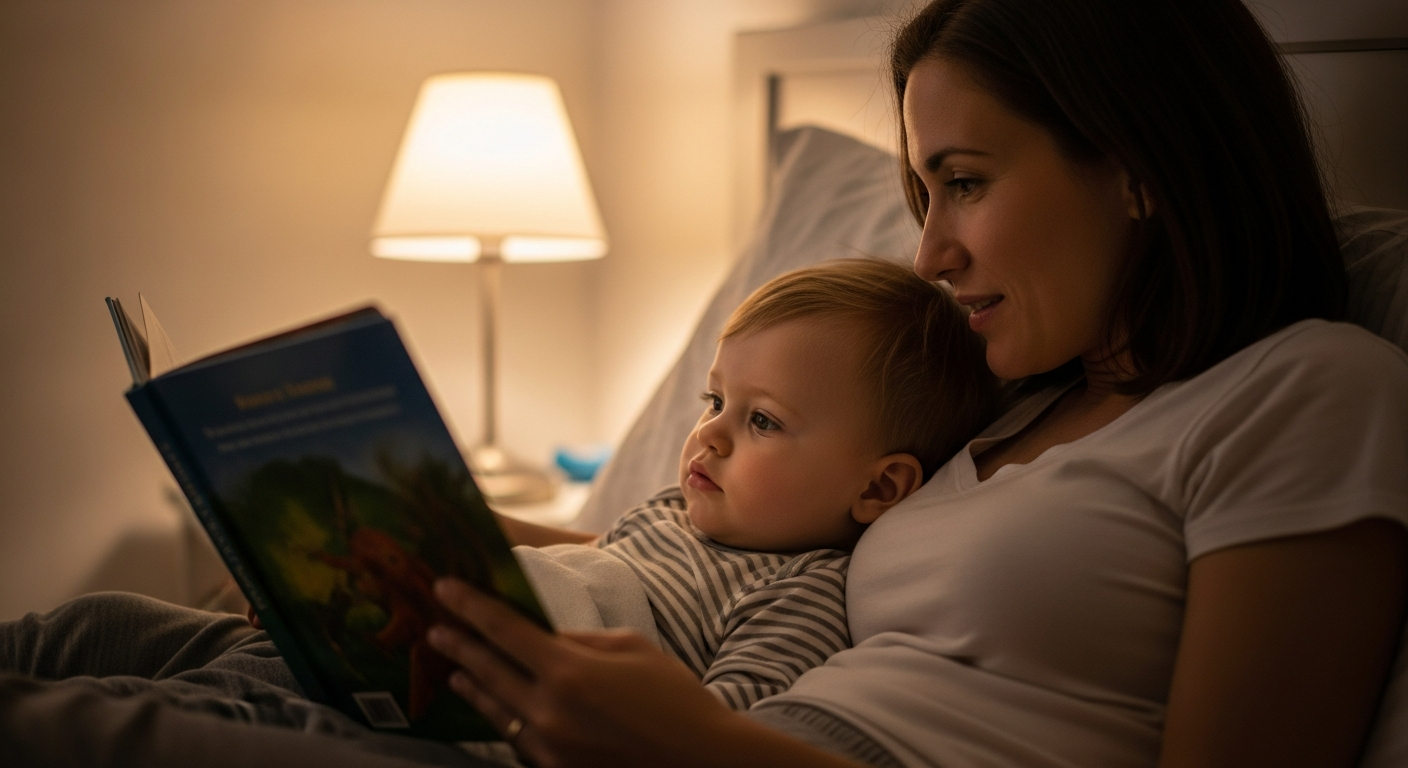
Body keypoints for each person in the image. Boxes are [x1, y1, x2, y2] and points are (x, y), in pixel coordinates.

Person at [420, 1, 1408, 767]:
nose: (929, 253)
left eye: (966, 183)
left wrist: (702, 747)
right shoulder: (992, 401)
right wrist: (439, 536)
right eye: (920, 194)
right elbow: (697, 565)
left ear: (1137, 166)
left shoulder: (1304, 392)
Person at [496, 258, 998, 714]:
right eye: (714, 401)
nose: (708, 433)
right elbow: (591, 560)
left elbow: (713, 733)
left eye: (762, 420)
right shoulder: (673, 509)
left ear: (878, 489)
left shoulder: (798, 593)